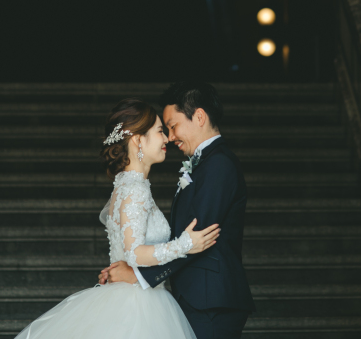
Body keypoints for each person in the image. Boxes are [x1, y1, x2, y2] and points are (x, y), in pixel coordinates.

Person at [15, 98, 220, 339]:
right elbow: (133, 253)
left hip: (135, 293)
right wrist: (185, 244)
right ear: (138, 139)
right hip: (138, 303)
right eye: (159, 132)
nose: (166, 139)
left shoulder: (129, 184)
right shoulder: (134, 188)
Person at [100, 81, 255, 339]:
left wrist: (138, 275)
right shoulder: (201, 165)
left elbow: (200, 236)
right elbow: (187, 240)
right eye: (164, 130)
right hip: (196, 299)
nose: (170, 138)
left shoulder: (219, 165)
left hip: (211, 300)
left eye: (171, 127)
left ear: (200, 117)